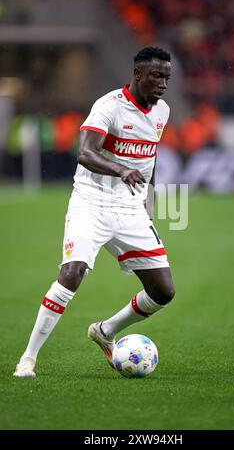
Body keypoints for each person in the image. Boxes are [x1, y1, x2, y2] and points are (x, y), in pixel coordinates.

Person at [14, 46, 176, 378]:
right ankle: (27, 359)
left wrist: (149, 202)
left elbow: (150, 158)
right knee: (72, 273)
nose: (162, 84)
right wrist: (119, 170)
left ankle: (105, 330)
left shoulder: (162, 112)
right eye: (157, 76)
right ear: (138, 75)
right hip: (92, 201)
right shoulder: (109, 106)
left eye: (167, 77)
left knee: (163, 291)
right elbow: (85, 152)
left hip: (130, 207)